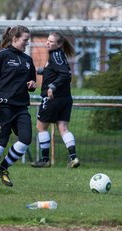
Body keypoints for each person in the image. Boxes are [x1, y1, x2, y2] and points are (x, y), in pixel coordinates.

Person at [0, 25, 37, 188]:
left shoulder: (28, 60)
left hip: (21, 108)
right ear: (15, 39)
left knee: (25, 140)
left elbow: (31, 83)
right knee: (1, 143)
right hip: (2, 108)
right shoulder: (1, 56)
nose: (27, 43)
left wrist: (32, 85)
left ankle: (2, 168)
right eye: (25, 40)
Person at [30, 32, 80, 168]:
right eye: (48, 40)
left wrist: (52, 87)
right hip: (65, 99)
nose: (48, 43)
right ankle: (73, 158)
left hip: (53, 98)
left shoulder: (56, 55)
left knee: (41, 127)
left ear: (59, 44)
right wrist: (35, 70)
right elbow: (53, 71)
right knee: (63, 128)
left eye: (51, 42)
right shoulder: (57, 56)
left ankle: (45, 160)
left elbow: (65, 74)